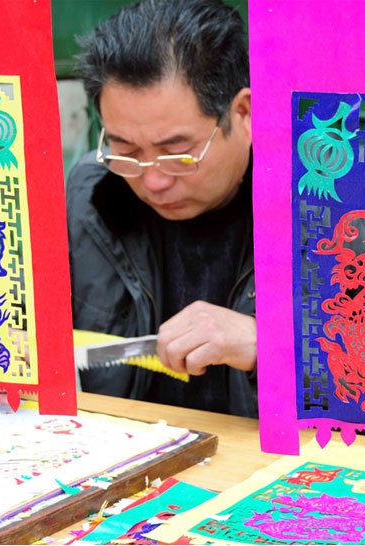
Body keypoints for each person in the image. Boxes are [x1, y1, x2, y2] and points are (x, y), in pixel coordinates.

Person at [67, 0, 257, 417]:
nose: (153, 181)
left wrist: (269, 348)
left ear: (243, 113)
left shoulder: (322, 207)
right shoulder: (90, 195)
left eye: (177, 153)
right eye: (126, 150)